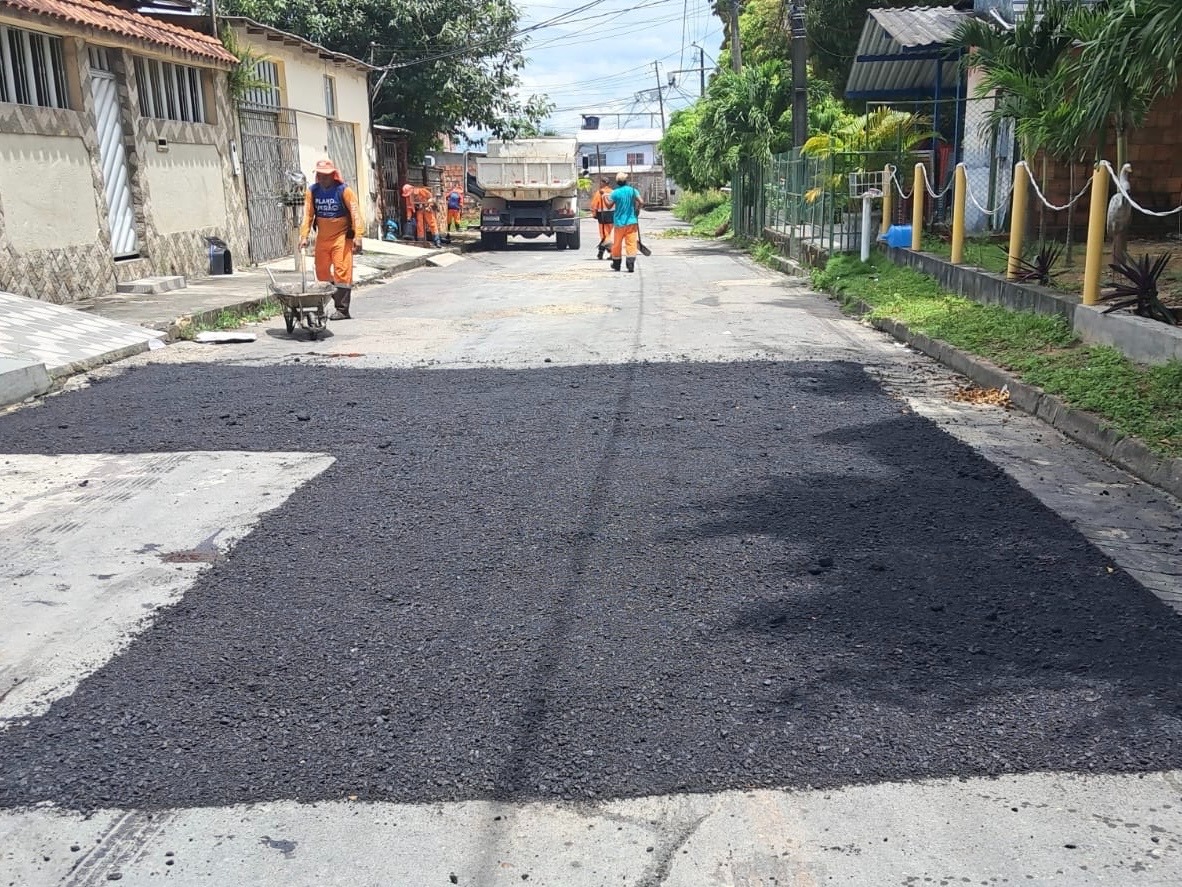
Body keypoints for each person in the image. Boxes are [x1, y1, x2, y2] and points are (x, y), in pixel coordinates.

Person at [299, 159, 364, 319]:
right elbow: (308, 214)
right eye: (320, 175)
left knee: (342, 271)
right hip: (323, 238)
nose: (323, 178)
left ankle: (342, 310)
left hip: (341, 237)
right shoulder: (312, 191)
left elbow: (355, 213)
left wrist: (358, 235)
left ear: (333, 175)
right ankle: (324, 304)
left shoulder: (344, 190)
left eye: (326, 175)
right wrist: (304, 235)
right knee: (321, 272)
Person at [605, 172, 643, 272]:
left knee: (617, 244)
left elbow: (609, 206)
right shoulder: (633, 191)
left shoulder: (615, 193)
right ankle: (630, 264)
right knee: (631, 243)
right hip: (631, 222)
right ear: (626, 181)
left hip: (619, 223)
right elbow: (641, 202)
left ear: (617, 182)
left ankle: (616, 264)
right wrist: (637, 210)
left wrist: (604, 197)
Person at [590, 177, 614, 260]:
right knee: (609, 235)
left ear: (603, 183)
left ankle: (610, 252)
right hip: (612, 216)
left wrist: (594, 214)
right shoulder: (613, 192)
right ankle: (602, 253)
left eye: (601, 182)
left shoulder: (599, 193)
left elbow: (594, 205)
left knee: (604, 235)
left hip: (602, 216)